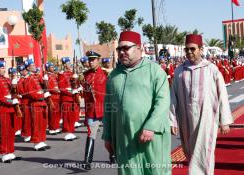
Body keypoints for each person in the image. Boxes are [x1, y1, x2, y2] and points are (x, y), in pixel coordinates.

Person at [102, 31, 172, 175]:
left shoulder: (155, 71)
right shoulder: (114, 76)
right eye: (119, 49)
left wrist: (151, 126)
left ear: (139, 48)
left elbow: (163, 102)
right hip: (123, 138)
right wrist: (108, 135)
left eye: (126, 48)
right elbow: (108, 108)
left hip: (151, 137)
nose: (122, 52)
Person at [169, 34, 233, 175]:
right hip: (185, 120)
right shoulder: (180, 71)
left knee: (204, 152)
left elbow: (222, 95)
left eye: (192, 49)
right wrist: (172, 120)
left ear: (201, 49)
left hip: (207, 118)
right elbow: (173, 97)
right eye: (187, 50)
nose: (189, 52)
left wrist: (224, 121)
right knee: (190, 152)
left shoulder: (211, 70)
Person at [81, 51, 108, 170]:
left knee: (110, 136)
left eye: (93, 60)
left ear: (98, 60)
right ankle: (87, 162)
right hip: (92, 111)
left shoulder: (107, 73)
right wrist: (87, 114)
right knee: (91, 135)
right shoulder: (86, 75)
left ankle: (112, 154)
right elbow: (86, 97)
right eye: (89, 60)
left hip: (107, 109)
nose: (91, 62)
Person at [0, 61, 21, 163]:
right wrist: (10, 101)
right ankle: (4, 153)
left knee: (11, 132)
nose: (4, 69)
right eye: (2, 68)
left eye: (4, 67)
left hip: (11, 109)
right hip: (2, 109)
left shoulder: (8, 80)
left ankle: (10, 151)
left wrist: (16, 94)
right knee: (3, 132)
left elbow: (13, 93)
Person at [23, 59, 51, 151]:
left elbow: (44, 86)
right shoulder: (28, 79)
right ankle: (36, 142)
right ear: (28, 68)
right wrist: (42, 95)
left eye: (35, 65)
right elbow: (31, 93)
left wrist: (46, 79)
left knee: (43, 123)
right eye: (33, 65)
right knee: (36, 124)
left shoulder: (36, 76)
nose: (35, 66)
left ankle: (41, 140)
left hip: (41, 102)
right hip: (35, 103)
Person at [58, 57, 78, 141]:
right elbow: (61, 88)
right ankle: (67, 133)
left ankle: (71, 132)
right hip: (66, 98)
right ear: (64, 64)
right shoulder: (62, 74)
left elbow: (75, 84)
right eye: (67, 63)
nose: (69, 64)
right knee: (67, 117)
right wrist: (70, 92)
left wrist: (76, 81)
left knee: (72, 116)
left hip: (73, 98)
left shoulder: (72, 73)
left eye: (69, 63)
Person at [44, 62, 62, 135]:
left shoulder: (54, 75)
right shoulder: (46, 76)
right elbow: (46, 87)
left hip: (57, 96)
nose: (53, 68)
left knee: (57, 113)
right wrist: (54, 90)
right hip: (52, 96)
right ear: (48, 68)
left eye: (53, 67)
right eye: (51, 67)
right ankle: (51, 128)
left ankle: (56, 127)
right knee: (52, 113)